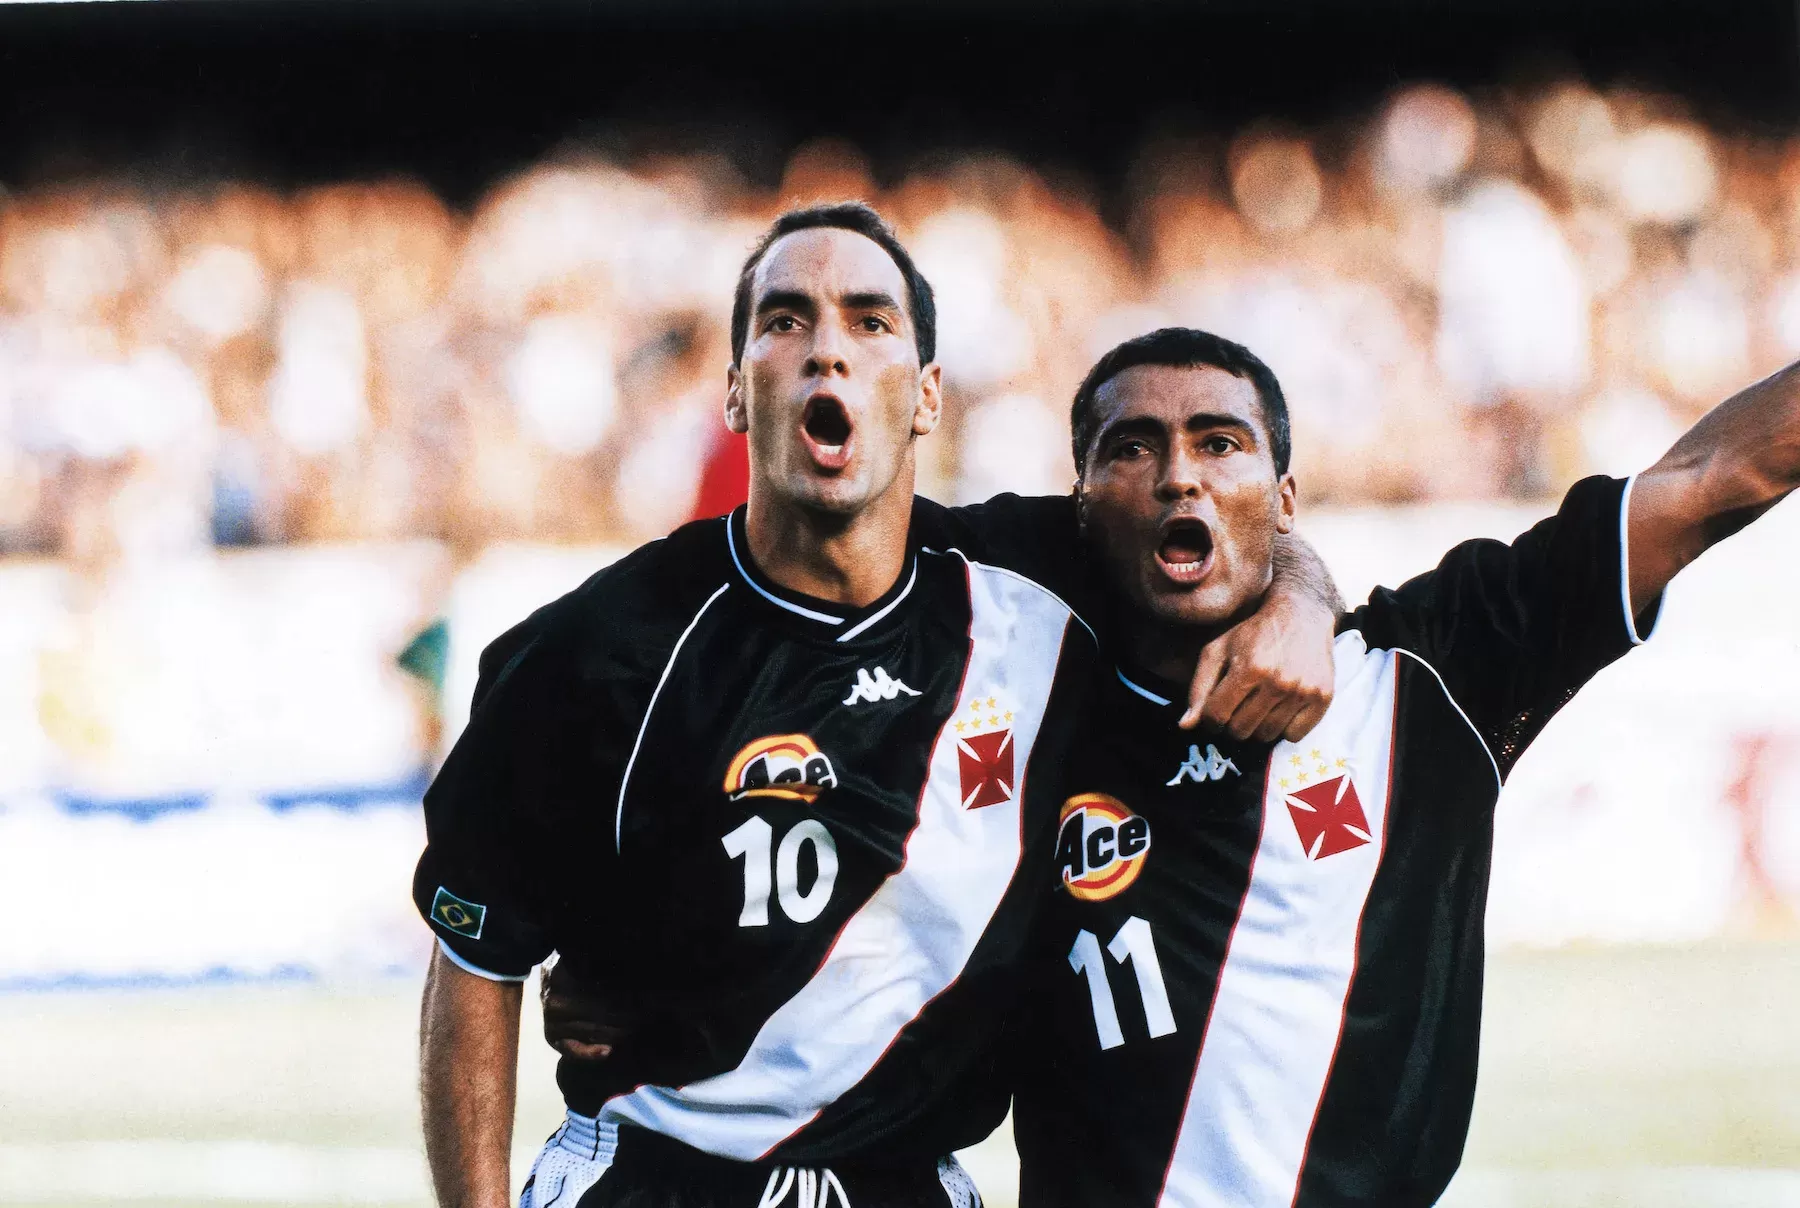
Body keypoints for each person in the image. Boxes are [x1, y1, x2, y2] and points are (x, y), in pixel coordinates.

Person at [414, 206, 1341, 1208]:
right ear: (736, 391)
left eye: (869, 320)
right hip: (652, 1176)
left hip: (909, 1182)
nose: (828, 351)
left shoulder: (1041, 590)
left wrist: (1302, 599)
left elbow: (1224, 530)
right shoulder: (597, 651)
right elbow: (474, 958)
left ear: (927, 394)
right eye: (785, 321)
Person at [1002, 327, 1800, 1207]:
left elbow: (1710, 478)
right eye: (1132, 447)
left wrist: (1304, 596)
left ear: (1285, 498)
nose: (1179, 476)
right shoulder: (1012, 698)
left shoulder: (1430, 672)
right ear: (1080, 505)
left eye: (1220, 443)